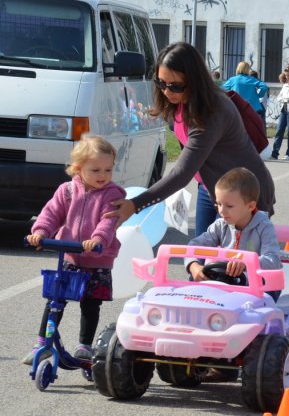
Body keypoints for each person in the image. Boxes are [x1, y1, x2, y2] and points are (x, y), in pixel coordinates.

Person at [103, 42, 275, 236]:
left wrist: (135, 205)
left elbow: (182, 172)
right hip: (211, 187)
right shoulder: (180, 101)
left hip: (245, 193)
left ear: (194, 81)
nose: (167, 92)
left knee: (226, 254)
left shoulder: (212, 112)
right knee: (200, 250)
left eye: (175, 86)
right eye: (161, 83)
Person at [22, 135, 125, 364]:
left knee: (90, 303)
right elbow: (51, 214)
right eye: (95, 170)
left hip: (97, 260)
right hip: (69, 257)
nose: (103, 175)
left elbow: (108, 221)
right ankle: (42, 343)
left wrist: (97, 239)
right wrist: (40, 232)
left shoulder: (112, 194)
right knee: (55, 299)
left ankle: (84, 345)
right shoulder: (67, 190)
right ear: (78, 168)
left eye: (108, 170)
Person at [186, 167, 281, 301]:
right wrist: (193, 266)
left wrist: (247, 263)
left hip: (256, 285)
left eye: (229, 206)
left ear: (250, 206)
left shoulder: (264, 227)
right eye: (219, 204)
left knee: (269, 287)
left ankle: (260, 312)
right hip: (227, 282)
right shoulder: (220, 225)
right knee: (196, 279)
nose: (221, 211)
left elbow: (273, 260)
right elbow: (194, 246)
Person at [223, 61, 268, 127]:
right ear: (247, 69)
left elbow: (222, 89)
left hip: (238, 109)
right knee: (253, 129)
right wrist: (259, 95)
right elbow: (264, 86)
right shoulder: (252, 79)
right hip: (253, 109)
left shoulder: (233, 80)